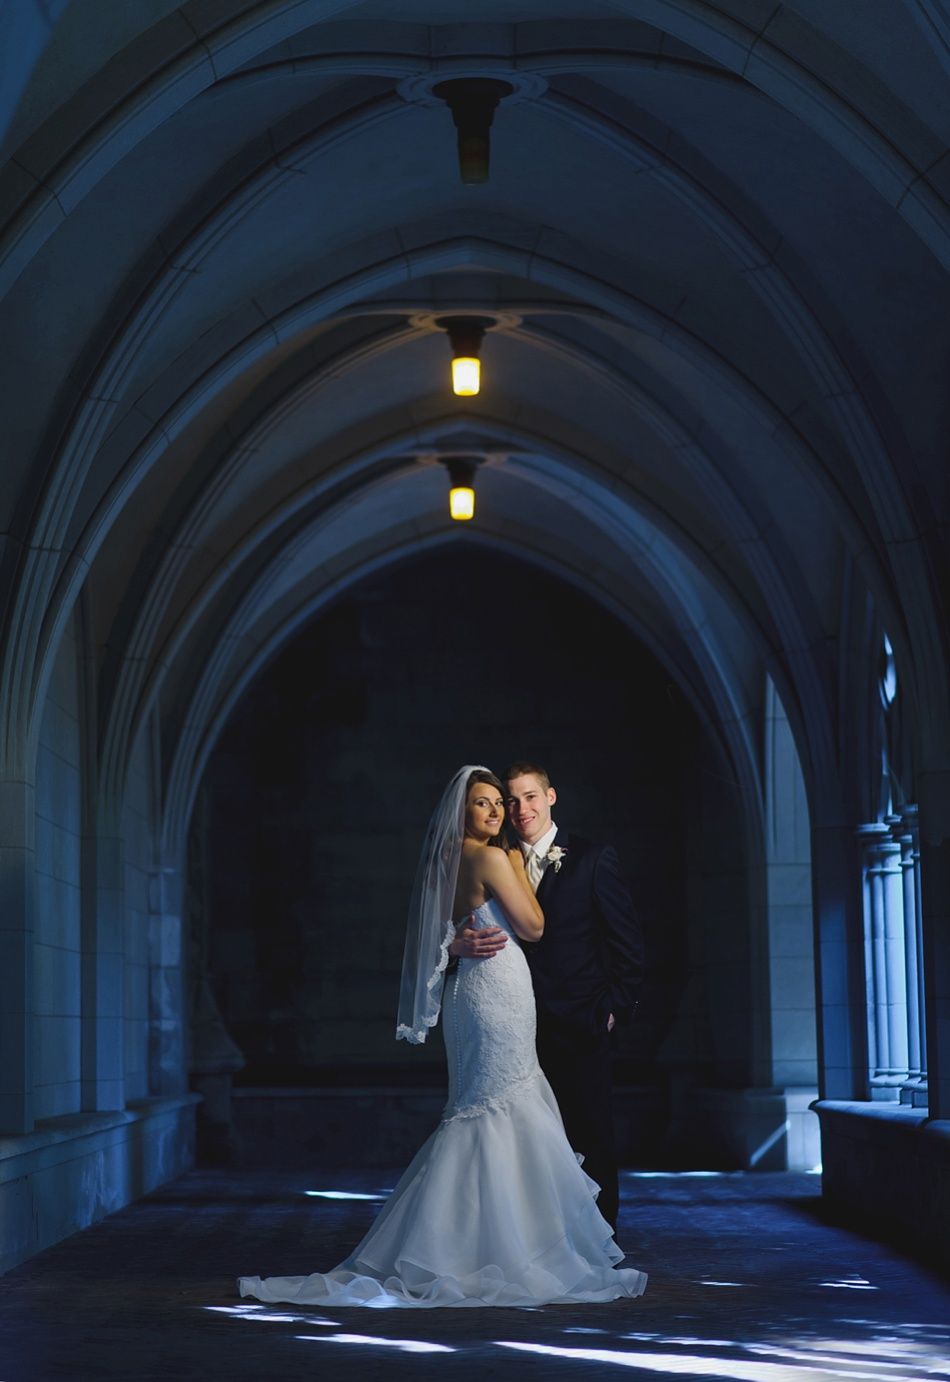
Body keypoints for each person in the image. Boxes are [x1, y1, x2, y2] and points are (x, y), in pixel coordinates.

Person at [238, 765, 646, 1308]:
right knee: (506, 1112)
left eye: (502, 801)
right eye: (485, 803)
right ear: (463, 812)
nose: (500, 811)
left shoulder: (449, 857)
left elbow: (438, 933)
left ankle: (461, 1242)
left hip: (475, 998)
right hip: (499, 997)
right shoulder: (492, 856)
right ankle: (515, 1249)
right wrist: (512, 868)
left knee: (484, 1113)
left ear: (547, 798)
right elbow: (536, 927)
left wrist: (454, 947)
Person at [496, 762, 643, 1234]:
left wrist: (614, 1010)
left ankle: (601, 1240)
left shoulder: (592, 858)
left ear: (551, 797)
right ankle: (539, 1239)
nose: (522, 810)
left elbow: (627, 943)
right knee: (529, 1138)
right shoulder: (495, 859)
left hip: (581, 1022)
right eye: (512, 801)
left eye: (531, 797)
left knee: (590, 1135)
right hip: (515, 1024)